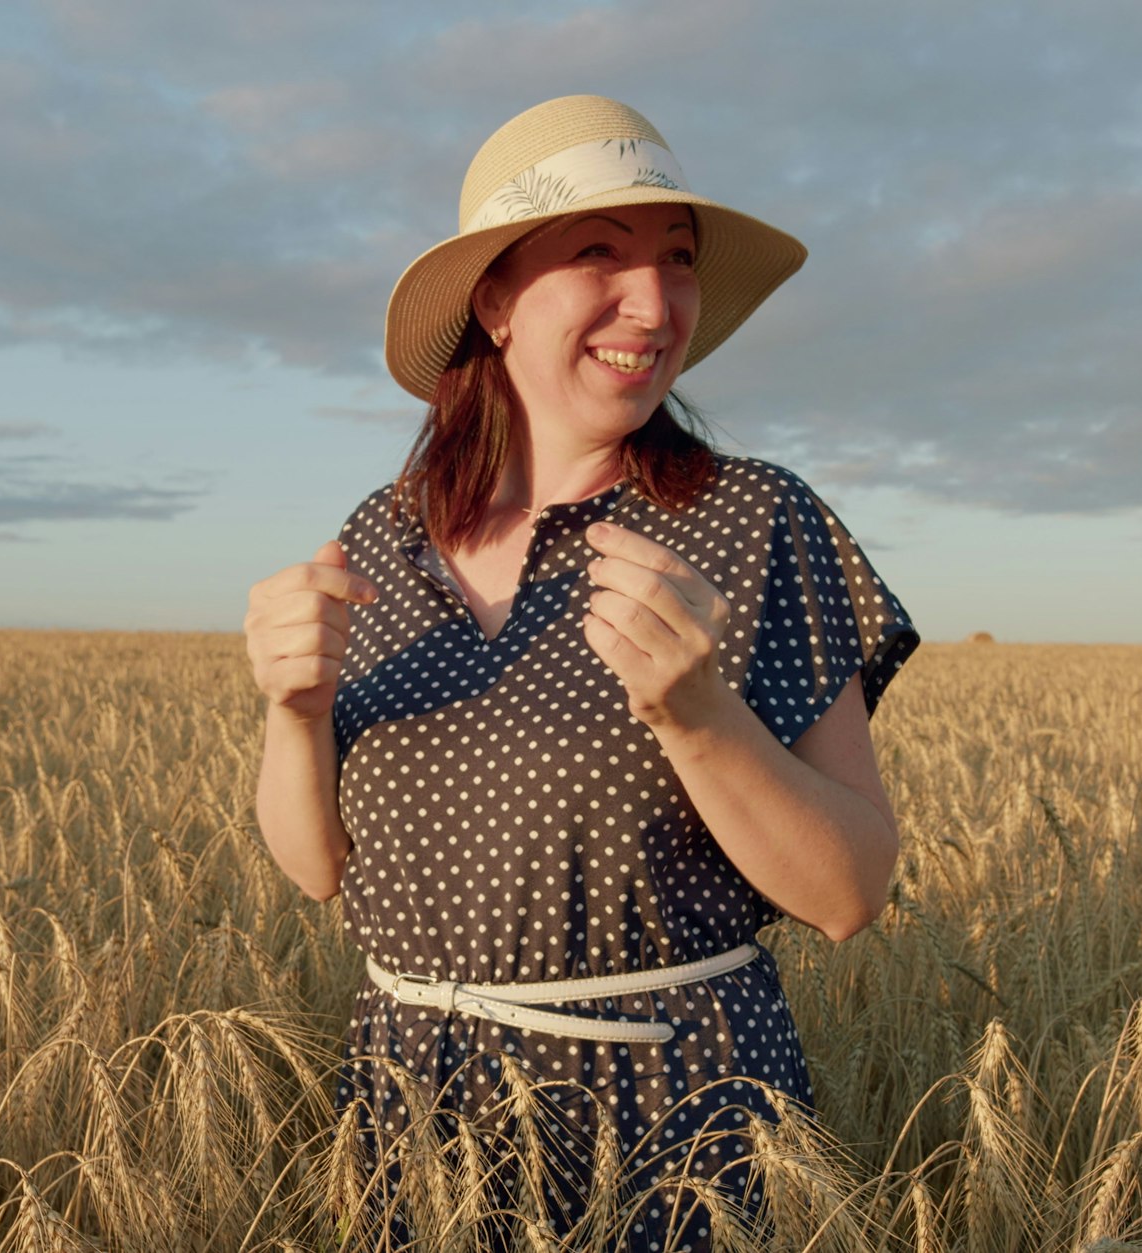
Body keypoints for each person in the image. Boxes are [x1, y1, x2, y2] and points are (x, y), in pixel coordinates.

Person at [244, 95, 918, 1251]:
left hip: (673, 1114)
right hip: (415, 1108)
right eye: (598, 253)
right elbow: (316, 868)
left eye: (676, 263)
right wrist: (291, 712)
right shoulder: (379, 539)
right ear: (494, 301)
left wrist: (699, 716)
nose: (652, 303)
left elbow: (848, 889)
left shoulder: (750, 520)